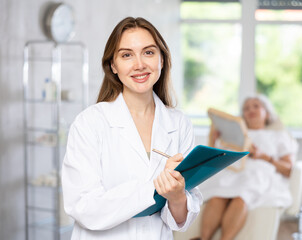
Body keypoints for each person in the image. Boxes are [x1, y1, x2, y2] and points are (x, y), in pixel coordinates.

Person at [61, 17, 202, 240]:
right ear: (113, 66)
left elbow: (180, 220)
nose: (139, 64)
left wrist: (176, 197)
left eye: (148, 52)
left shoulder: (178, 123)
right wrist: (154, 189)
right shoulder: (90, 123)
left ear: (162, 60)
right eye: (127, 55)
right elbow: (84, 207)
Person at [199, 94, 298, 240]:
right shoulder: (235, 135)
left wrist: (263, 156)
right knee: (217, 195)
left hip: (259, 174)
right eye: (246, 108)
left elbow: (289, 170)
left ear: (267, 113)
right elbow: (216, 159)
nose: (250, 110)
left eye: (256, 106)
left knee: (241, 196)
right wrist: (213, 142)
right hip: (233, 172)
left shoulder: (278, 136)